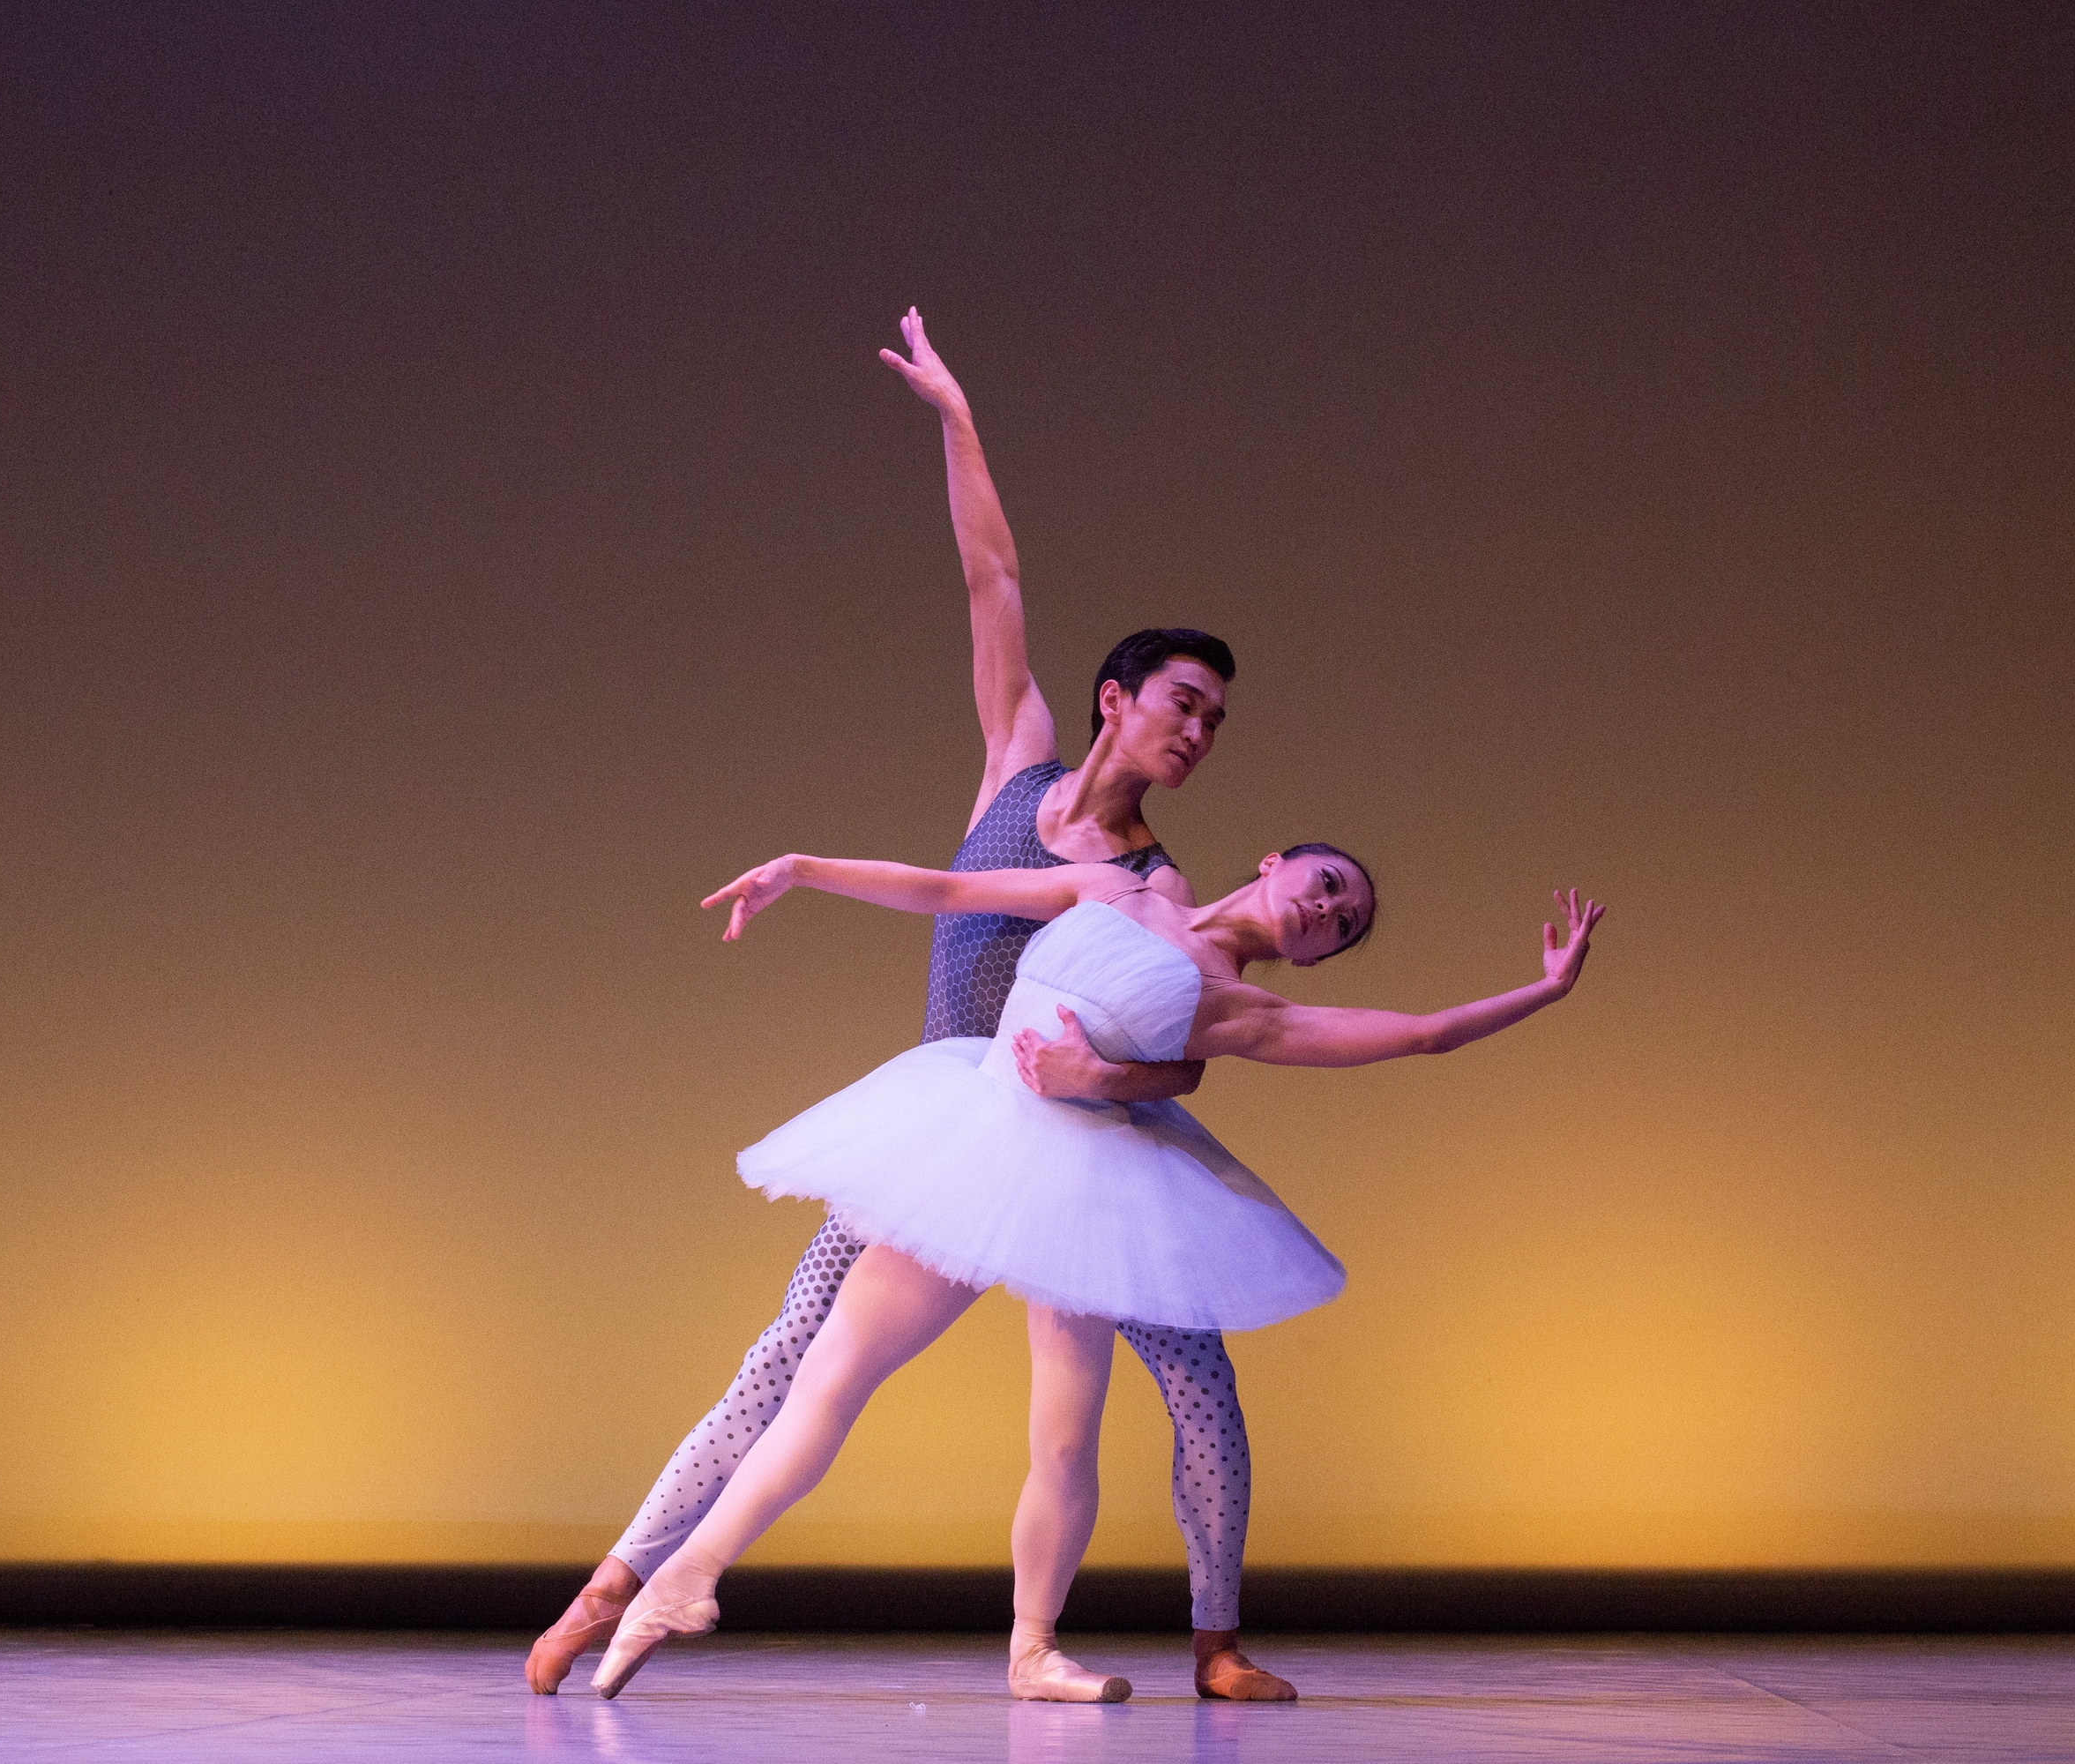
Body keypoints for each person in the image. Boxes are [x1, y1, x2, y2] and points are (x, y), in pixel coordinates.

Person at [528, 310, 1293, 1700]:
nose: (1197, 732)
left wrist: (1104, 1085)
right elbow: (991, 575)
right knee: (793, 1355)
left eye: (1215, 723)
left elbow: (1190, 1055)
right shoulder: (1020, 763)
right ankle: (622, 1581)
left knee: (1192, 1377)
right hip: (950, 1127)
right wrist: (958, 418)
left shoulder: (1157, 886)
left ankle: (1215, 1639)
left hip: (1082, 1149)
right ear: (1117, 700)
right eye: (1183, 703)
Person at [583, 849, 1603, 1700]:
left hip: (1081, 1191)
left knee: (1065, 1434)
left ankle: (1032, 1648)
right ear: (1276, 862)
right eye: (1328, 884)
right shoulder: (1117, 887)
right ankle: (686, 1577)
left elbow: (1420, 1034)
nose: (1326, 911)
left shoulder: (1240, 1009)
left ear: (1312, 956)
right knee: (831, 1374)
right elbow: (948, 890)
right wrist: (803, 868)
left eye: (1341, 926)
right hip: (975, 1133)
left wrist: (1546, 990)